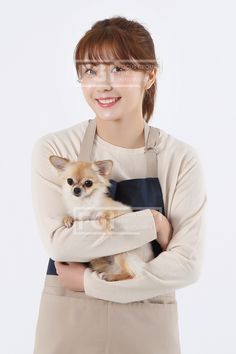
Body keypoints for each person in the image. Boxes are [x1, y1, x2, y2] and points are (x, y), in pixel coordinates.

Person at [31, 16, 207, 354]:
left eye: (119, 69)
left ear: (150, 74)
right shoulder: (56, 151)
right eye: (90, 71)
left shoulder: (180, 159)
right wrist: (150, 223)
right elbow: (61, 244)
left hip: (148, 333)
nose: (103, 85)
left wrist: (88, 282)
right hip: (68, 330)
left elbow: (186, 264)